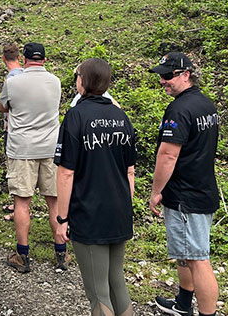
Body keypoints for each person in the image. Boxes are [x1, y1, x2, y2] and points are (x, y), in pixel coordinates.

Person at [55, 58, 137, 316]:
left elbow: (66, 172)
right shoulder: (121, 116)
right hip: (119, 210)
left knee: (98, 293)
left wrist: (62, 218)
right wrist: (126, 208)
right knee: (117, 282)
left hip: (89, 213)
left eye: (77, 76)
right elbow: (130, 170)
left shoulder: (76, 116)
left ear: (83, 81)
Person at [149, 52, 220, 316]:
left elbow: (168, 154)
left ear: (186, 75)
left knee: (197, 259)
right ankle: (183, 303)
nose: (162, 81)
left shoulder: (179, 109)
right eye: (161, 76)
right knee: (185, 253)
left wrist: (156, 191)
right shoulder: (206, 104)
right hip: (201, 188)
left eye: (168, 76)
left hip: (186, 196)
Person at [0, 42, 66, 273]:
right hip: (51, 147)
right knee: (54, 201)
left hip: (22, 149)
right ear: (44, 60)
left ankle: (23, 255)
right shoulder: (55, 82)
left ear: (24, 59)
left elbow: (2, 107)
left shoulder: (13, 82)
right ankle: (61, 253)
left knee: (22, 202)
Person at [0, 43, 23, 221]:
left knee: (15, 170)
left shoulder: (11, 79)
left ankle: (19, 208)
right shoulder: (25, 74)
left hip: (14, 128)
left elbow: (5, 105)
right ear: (19, 57)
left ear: (3, 59)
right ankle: (18, 205)